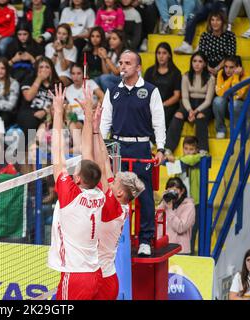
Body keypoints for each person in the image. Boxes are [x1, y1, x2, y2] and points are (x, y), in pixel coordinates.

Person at [100, 50, 166, 256]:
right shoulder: (112, 91)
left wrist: (161, 147)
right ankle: (114, 236)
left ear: (138, 67)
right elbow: (104, 122)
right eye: (120, 62)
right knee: (114, 192)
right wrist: (99, 145)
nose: (123, 66)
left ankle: (145, 240)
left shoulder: (150, 90)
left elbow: (159, 121)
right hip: (117, 146)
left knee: (144, 194)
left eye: (128, 63)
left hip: (141, 147)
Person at [82, 86, 144, 299]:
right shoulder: (122, 203)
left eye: (116, 181)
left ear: (119, 192)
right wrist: (98, 129)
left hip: (98, 278)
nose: (113, 178)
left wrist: (89, 122)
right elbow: (106, 163)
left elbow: (99, 162)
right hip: (109, 276)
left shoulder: (113, 206)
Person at [47, 83, 105, 300]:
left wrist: (58, 112)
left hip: (76, 275)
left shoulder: (72, 197)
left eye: (76, 172)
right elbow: (89, 155)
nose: (72, 173)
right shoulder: (98, 194)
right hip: (93, 272)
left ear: (78, 179)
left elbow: (57, 156)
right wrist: (89, 119)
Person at [165, 52, 215, 155]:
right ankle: (168, 148)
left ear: (205, 64)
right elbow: (185, 97)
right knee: (178, 115)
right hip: (188, 103)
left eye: (200, 61)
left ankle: (202, 149)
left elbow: (208, 100)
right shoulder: (186, 76)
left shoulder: (211, 78)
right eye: (194, 61)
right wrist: (190, 111)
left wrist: (196, 112)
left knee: (200, 117)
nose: (197, 64)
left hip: (203, 105)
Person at [165, 136, 203, 254]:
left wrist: (174, 159)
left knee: (192, 232)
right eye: (186, 149)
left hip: (195, 201)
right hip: (181, 200)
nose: (188, 152)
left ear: (196, 150)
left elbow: (193, 159)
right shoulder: (180, 160)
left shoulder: (199, 158)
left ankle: (189, 253)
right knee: (178, 228)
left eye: (191, 149)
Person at [17, 56, 61, 140]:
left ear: (51, 70)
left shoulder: (57, 84)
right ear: (37, 69)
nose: (44, 70)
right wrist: (39, 79)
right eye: (41, 67)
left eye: (47, 67)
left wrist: (45, 111)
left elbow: (61, 103)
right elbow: (28, 97)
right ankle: (25, 149)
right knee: (31, 122)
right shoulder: (29, 79)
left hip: (48, 113)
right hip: (29, 111)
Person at [65, 63, 104, 154]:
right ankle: (77, 150)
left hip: (89, 118)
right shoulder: (68, 90)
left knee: (73, 126)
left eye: (79, 73)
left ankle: (75, 150)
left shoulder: (90, 83)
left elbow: (103, 97)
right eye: (73, 74)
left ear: (84, 74)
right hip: (75, 120)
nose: (76, 77)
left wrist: (91, 107)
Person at [144, 42, 182, 130]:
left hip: (168, 105)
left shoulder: (176, 73)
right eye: (159, 53)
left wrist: (162, 104)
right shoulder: (149, 71)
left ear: (169, 55)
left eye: (164, 53)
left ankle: (155, 141)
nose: (161, 56)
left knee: (162, 114)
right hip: (152, 104)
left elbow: (176, 96)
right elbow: (145, 91)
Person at [213, 55, 249, 139]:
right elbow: (220, 93)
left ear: (239, 67)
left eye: (231, 67)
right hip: (227, 109)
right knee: (217, 101)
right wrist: (232, 77)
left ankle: (238, 130)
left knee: (235, 104)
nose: (227, 70)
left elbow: (238, 95)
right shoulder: (220, 73)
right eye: (226, 67)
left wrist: (236, 76)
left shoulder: (246, 77)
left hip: (241, 109)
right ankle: (221, 130)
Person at [157, 177, 196, 255]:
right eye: (170, 191)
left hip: (180, 251)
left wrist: (169, 209)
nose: (172, 193)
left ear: (182, 191)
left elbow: (181, 228)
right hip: (163, 249)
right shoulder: (166, 204)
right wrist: (163, 202)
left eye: (175, 191)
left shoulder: (188, 206)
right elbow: (155, 221)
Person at [198, 10, 236, 77]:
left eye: (218, 20)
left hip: (224, 66)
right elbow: (201, 55)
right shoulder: (205, 35)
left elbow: (230, 56)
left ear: (223, 22)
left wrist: (217, 68)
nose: (214, 23)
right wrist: (208, 68)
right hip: (207, 66)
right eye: (212, 20)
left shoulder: (230, 36)